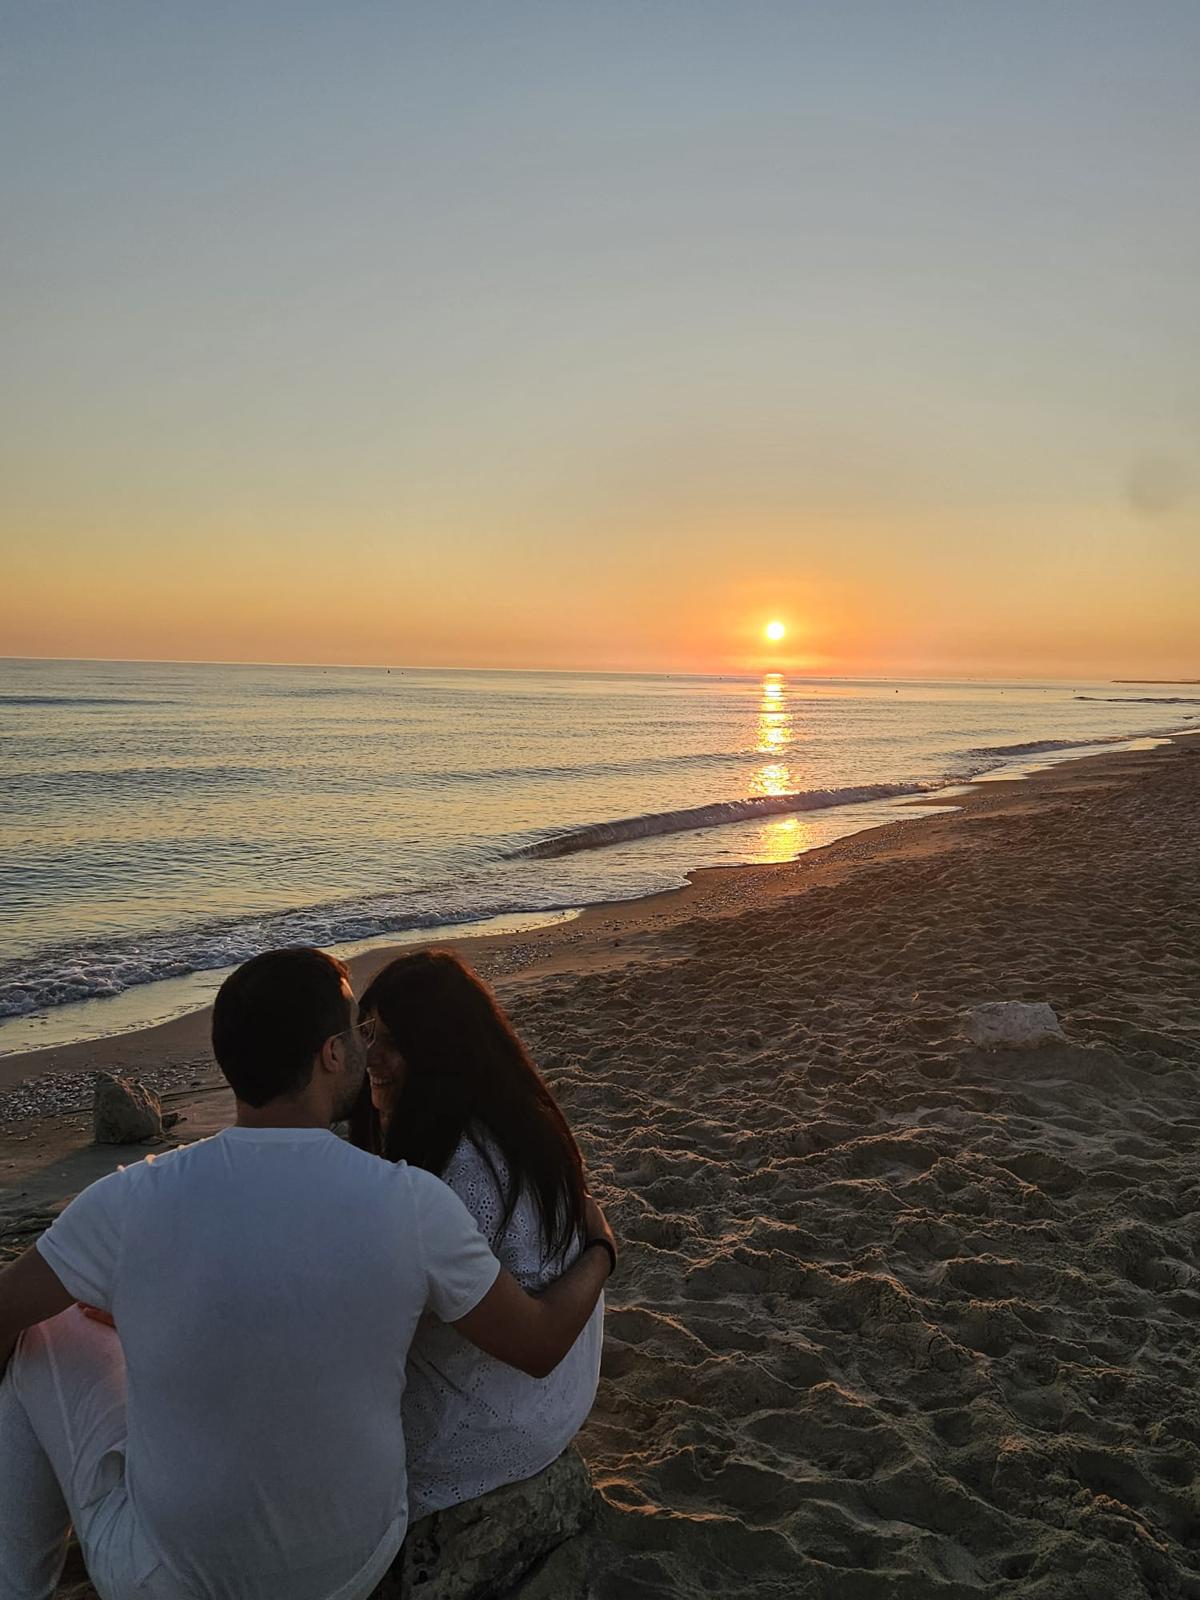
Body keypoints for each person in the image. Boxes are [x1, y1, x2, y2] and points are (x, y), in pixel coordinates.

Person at [0, 946, 616, 1600]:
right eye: (361, 1031)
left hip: (177, 1578)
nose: (368, 1049)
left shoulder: (128, 1200)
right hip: (359, 1559)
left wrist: (140, 1310)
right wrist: (602, 1248)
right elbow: (533, 1340)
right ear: (330, 1054)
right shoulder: (414, 1203)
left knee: (42, 1336)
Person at [349, 950, 606, 1522]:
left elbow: (377, 1336)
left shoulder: (452, 1179)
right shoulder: (517, 1118)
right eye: (365, 1032)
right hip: (561, 1395)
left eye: (393, 1039)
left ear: (440, 1049)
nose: (371, 1056)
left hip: (492, 1428)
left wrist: (602, 1251)